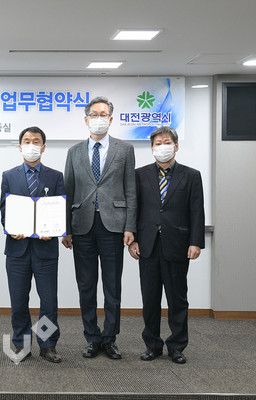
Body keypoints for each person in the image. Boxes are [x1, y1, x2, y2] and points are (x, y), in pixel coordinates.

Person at [62, 96, 137, 359]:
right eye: (94, 115)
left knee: (112, 286)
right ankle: (92, 337)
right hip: (81, 226)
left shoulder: (124, 149)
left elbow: (130, 190)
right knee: (86, 285)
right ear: (86, 120)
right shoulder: (74, 152)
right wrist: (66, 229)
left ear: (111, 119)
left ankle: (110, 338)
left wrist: (130, 226)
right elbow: (68, 190)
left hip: (113, 226)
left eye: (103, 114)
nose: (99, 119)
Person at [129, 126, 205, 364]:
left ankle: (177, 346)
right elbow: (135, 209)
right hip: (148, 245)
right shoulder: (139, 175)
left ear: (176, 146)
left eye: (167, 142)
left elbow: (197, 211)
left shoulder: (191, 175)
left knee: (177, 299)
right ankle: (152, 345)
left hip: (178, 245)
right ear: (152, 148)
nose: (163, 147)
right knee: (150, 299)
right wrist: (133, 238)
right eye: (158, 143)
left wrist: (196, 242)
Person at [0, 126, 65, 363]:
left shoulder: (55, 176)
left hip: (45, 250)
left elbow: (60, 210)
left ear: (43, 147)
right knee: (18, 301)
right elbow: (4, 210)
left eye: (36, 141)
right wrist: (11, 227)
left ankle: (48, 345)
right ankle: (22, 344)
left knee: (48, 302)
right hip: (17, 250)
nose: (31, 145)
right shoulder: (9, 176)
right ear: (20, 147)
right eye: (26, 141)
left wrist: (54, 230)